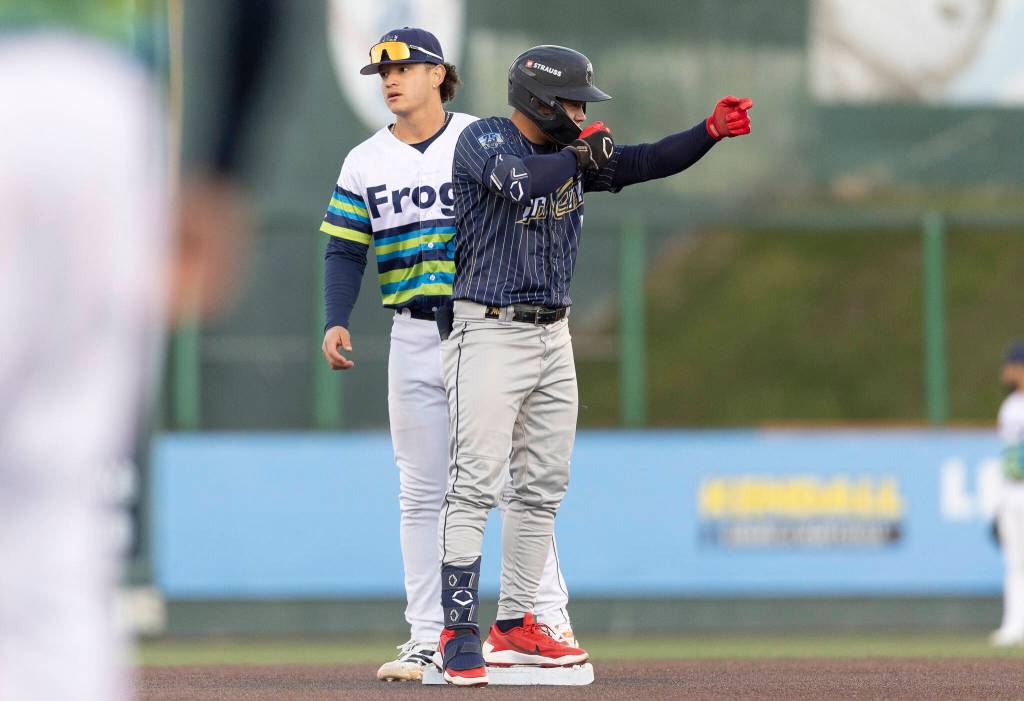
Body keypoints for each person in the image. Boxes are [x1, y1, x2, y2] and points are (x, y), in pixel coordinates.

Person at [435, 44, 752, 686]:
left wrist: (708, 132)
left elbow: (640, 162)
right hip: (488, 328)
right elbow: (517, 182)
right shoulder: (482, 140)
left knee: (543, 486)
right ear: (538, 98)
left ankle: (515, 623)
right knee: (475, 481)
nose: (581, 113)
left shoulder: (569, 153)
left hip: (553, 334)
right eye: (574, 101)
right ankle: (456, 630)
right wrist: (578, 155)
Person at [318, 27, 577, 683]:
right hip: (412, 330)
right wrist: (335, 318)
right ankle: (427, 635)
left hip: (488, 328)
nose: (390, 79)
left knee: (516, 483)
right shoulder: (364, 160)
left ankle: (543, 617)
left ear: (440, 73)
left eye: (404, 67)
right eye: (382, 72)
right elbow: (346, 247)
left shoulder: (484, 137)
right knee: (421, 491)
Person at [992, 341, 1024, 646]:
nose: (1006, 371)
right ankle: (1014, 625)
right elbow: (1008, 458)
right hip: (1012, 491)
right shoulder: (1010, 406)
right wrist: (998, 501)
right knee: (1014, 561)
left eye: (1011, 365)